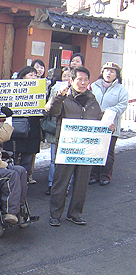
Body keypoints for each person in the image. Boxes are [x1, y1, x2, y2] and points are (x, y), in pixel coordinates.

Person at [46, 67, 112, 226]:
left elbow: (99, 119)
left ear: (89, 82)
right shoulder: (63, 97)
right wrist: (58, 97)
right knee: (60, 183)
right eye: (79, 80)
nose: (82, 83)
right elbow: (51, 111)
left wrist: (108, 126)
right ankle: (55, 214)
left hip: (87, 150)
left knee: (82, 183)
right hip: (67, 149)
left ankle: (75, 213)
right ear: (71, 81)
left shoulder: (92, 99)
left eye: (85, 80)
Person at [89, 62, 128, 186]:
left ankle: (105, 175)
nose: (108, 73)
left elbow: (122, 105)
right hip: (95, 125)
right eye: (106, 70)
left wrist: (110, 112)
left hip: (111, 126)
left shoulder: (121, 89)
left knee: (108, 151)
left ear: (117, 74)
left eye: (112, 71)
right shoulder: (94, 86)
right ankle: (93, 175)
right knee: (95, 149)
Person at [3, 66, 41, 184]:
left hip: (32, 130)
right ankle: (12, 182)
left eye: (35, 75)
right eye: (30, 75)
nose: (33, 77)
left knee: (27, 160)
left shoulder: (40, 90)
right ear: (22, 76)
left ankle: (23, 183)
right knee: (12, 157)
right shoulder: (12, 89)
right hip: (15, 129)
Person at [45, 66, 72, 195]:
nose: (67, 78)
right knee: (53, 159)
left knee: (67, 159)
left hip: (70, 130)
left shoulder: (78, 92)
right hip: (56, 127)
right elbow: (49, 107)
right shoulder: (55, 88)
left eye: (70, 76)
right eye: (65, 75)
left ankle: (65, 186)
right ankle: (51, 183)